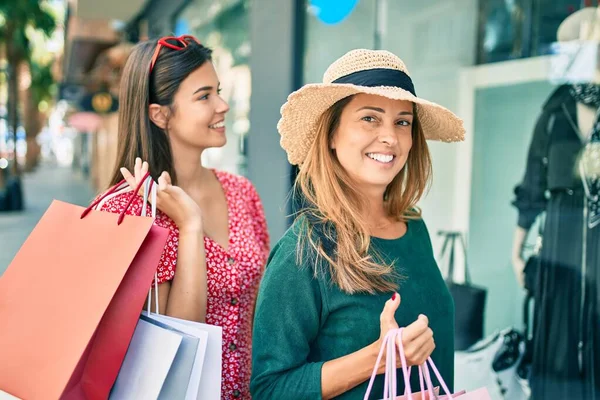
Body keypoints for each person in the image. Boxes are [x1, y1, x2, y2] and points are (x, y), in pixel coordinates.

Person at [250, 49, 465, 399]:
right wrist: (379, 357)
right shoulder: (303, 251)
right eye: (370, 118)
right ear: (332, 135)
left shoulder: (414, 228)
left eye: (403, 121)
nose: (390, 138)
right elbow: (269, 389)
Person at [97, 35, 270, 399]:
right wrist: (190, 226)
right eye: (204, 96)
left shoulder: (242, 192)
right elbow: (176, 342)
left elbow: (259, 312)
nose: (223, 105)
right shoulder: (128, 212)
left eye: (218, 91)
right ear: (160, 114)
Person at [511, 7, 600, 399]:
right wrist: (517, 250)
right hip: (561, 243)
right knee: (558, 342)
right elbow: (533, 184)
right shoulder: (555, 111)